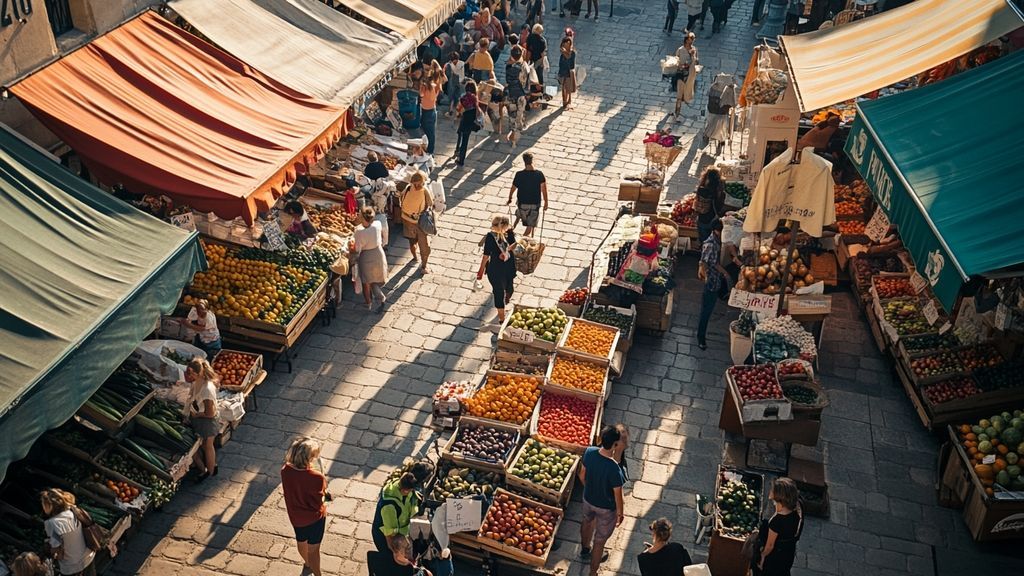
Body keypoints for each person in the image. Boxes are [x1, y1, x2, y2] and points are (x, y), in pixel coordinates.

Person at [578, 426, 626, 576]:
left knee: (587, 521)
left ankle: (585, 549)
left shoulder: (589, 452)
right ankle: (593, 573)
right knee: (599, 541)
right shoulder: (614, 468)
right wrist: (620, 513)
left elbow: (581, 475)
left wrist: (590, 488)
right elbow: (618, 495)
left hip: (588, 500)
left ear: (601, 440)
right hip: (606, 509)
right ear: (615, 445)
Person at [281, 437, 328, 576]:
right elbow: (320, 500)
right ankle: (317, 573)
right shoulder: (316, 477)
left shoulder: (285, 471)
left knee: (301, 541)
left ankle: (307, 563)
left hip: (296, 517)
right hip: (314, 518)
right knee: (314, 550)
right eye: (314, 456)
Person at [40, 489, 96, 576]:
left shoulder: (51, 524)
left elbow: (56, 549)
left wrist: (48, 546)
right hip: (88, 556)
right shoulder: (72, 511)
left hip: (72, 567)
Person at [755, 478, 804, 576]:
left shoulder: (777, 521)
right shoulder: (799, 506)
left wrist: (762, 556)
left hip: (775, 557)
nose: (770, 491)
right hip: (788, 553)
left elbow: (769, 546)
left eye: (773, 490)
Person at [477, 215, 517, 324]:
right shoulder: (492, 237)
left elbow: (486, 256)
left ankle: (505, 300)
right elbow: (486, 255)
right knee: (500, 292)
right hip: (501, 269)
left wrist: (480, 270)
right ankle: (502, 319)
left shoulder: (507, 234)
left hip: (502, 269)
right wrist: (481, 271)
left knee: (506, 290)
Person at [184, 357, 219, 481]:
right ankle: (213, 466)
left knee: (208, 446)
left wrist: (197, 415)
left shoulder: (207, 390)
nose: (189, 376)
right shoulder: (197, 382)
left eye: (190, 374)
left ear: (196, 373)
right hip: (202, 420)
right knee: (205, 445)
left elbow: (211, 413)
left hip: (207, 422)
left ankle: (209, 472)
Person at [697, 219, 728, 350]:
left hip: (716, 280)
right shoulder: (710, 244)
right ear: (717, 231)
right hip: (711, 282)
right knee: (706, 311)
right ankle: (701, 338)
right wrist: (725, 273)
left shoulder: (717, 241)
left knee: (708, 308)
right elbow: (710, 262)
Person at [371, 472, 422, 554]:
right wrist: (396, 552)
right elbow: (390, 534)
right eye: (410, 491)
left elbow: (413, 501)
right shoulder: (388, 505)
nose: (411, 492)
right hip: (385, 538)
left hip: (401, 532)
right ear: (405, 490)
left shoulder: (403, 486)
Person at [355, 206, 389, 313]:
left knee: (366, 282)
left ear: (362, 217)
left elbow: (358, 248)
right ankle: (380, 297)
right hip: (378, 253)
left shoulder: (359, 232)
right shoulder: (377, 225)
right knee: (374, 279)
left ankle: (368, 303)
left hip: (366, 257)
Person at [507, 152, 548, 237]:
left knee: (519, 214)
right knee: (530, 226)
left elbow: (513, 188)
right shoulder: (539, 174)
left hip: (522, 204)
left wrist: (510, 198)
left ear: (524, 162)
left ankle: (511, 230)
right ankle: (520, 242)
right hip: (534, 204)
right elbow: (544, 190)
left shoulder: (519, 175)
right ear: (532, 161)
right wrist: (546, 202)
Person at [400, 171, 434, 274]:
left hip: (406, 219)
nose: (418, 185)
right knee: (424, 245)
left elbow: (401, 199)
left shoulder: (407, 188)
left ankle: (415, 258)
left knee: (412, 241)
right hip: (419, 221)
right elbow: (430, 203)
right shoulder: (425, 190)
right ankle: (424, 266)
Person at [504, 45, 530, 147]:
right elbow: (525, 82)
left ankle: (513, 137)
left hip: (511, 94)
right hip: (520, 94)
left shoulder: (508, 66)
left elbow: (507, 80)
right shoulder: (524, 67)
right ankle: (515, 137)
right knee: (519, 115)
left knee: (512, 116)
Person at [419, 61, 446, 155]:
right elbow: (444, 79)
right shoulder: (436, 85)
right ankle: (430, 152)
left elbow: (421, 95)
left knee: (425, 132)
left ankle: (427, 151)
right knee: (431, 133)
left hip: (426, 111)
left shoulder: (425, 87)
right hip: (432, 110)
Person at [695, 166, 726, 243]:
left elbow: (696, 202)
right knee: (711, 242)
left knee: (703, 240)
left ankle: (703, 249)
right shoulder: (718, 193)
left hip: (701, 220)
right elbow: (720, 207)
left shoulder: (700, 189)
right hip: (712, 221)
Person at [673, 32, 698, 119]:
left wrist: (693, 56)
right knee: (679, 95)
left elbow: (696, 62)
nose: (691, 43)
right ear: (686, 40)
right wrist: (680, 65)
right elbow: (675, 60)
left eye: (693, 40)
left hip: (689, 74)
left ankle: (679, 110)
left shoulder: (694, 50)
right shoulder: (680, 49)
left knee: (686, 94)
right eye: (690, 40)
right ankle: (677, 111)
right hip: (681, 73)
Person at [455, 81, 479, 166]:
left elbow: (458, 109)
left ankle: (457, 151)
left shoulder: (463, 97)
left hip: (464, 120)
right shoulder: (474, 98)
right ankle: (461, 160)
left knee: (459, 135)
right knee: (465, 141)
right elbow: (477, 110)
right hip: (470, 121)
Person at [443, 52, 465, 117]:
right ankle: (459, 113)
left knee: (452, 97)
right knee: (459, 97)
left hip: (452, 81)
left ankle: (450, 111)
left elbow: (447, 74)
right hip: (460, 81)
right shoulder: (461, 63)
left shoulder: (449, 64)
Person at [557, 36, 577, 109]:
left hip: (569, 72)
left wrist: (565, 52)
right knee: (563, 87)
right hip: (562, 71)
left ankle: (569, 101)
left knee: (568, 88)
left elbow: (571, 63)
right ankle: (564, 101)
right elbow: (561, 62)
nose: (566, 45)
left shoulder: (573, 53)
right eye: (565, 43)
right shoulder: (562, 53)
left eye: (568, 43)